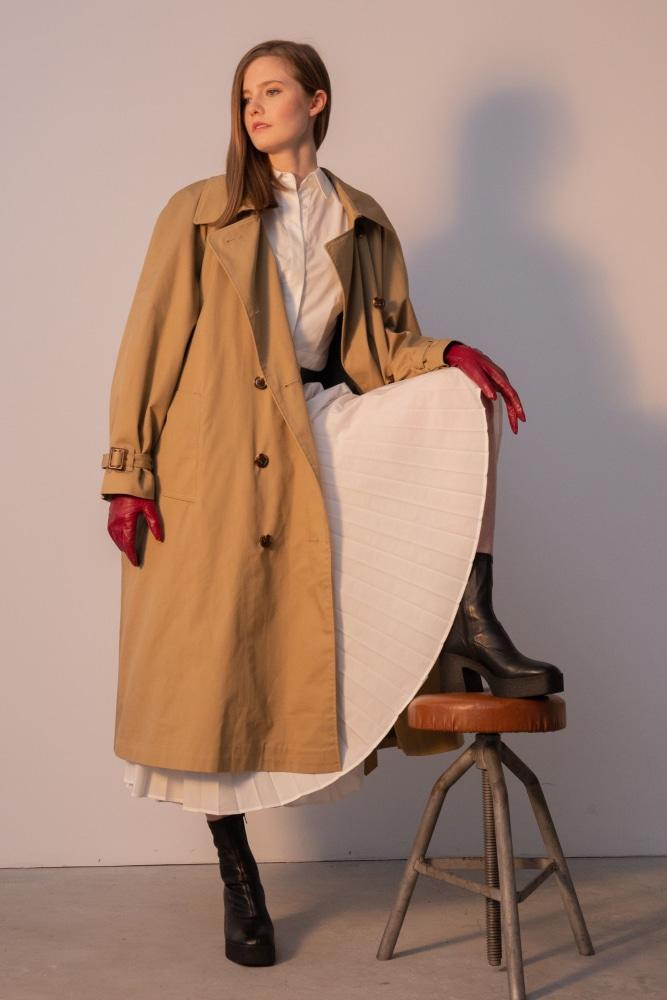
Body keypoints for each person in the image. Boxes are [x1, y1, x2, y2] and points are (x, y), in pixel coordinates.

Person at [100, 39, 563, 968]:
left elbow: (379, 348)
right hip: (217, 449)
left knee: (458, 400)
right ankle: (238, 877)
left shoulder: (362, 220)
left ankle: (473, 619)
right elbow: (149, 341)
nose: (254, 107)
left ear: (316, 100)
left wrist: (447, 356)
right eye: (244, 95)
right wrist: (128, 471)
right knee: (215, 670)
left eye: (272, 90)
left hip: (316, 423)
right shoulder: (199, 211)